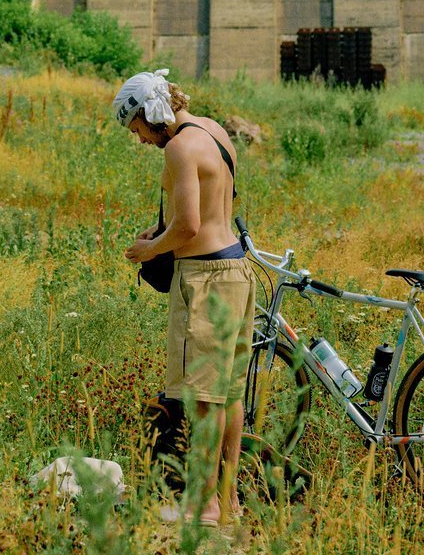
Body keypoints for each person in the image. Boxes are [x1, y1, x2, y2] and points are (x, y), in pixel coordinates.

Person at [112, 69, 255, 530]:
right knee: (228, 393)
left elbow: (190, 226)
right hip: (236, 269)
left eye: (137, 130)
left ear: (151, 114)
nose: (140, 141)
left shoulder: (177, 147)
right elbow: (212, 206)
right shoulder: (212, 130)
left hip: (206, 279)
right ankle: (226, 502)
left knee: (202, 397)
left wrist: (149, 249)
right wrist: (161, 231)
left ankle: (203, 506)